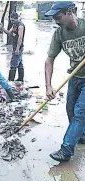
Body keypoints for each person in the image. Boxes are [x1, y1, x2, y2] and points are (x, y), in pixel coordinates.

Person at [44, 1, 85, 162]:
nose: (56, 21)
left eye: (58, 17)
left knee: (80, 112)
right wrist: (48, 86)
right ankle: (81, 135)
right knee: (70, 109)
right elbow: (49, 60)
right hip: (75, 77)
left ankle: (66, 149)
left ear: (69, 12)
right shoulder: (60, 34)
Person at [0, 12, 25, 82]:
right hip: (14, 46)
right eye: (11, 20)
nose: (11, 22)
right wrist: (2, 28)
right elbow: (8, 33)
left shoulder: (20, 26)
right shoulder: (14, 25)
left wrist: (17, 49)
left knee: (13, 63)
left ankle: (10, 81)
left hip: (18, 47)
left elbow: (20, 37)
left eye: (13, 20)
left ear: (17, 19)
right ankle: (20, 79)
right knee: (20, 63)